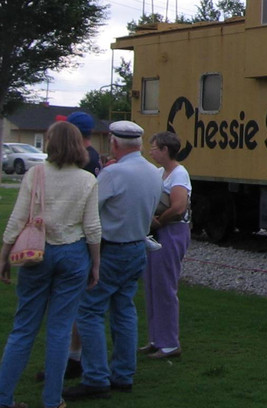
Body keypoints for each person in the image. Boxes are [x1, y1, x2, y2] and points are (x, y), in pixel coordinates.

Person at [0, 121, 101, 408]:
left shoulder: (36, 174)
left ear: (51, 144)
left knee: (23, 328)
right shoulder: (87, 180)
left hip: (36, 254)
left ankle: (4, 398)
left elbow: (18, 219)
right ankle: (52, 400)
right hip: (73, 254)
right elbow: (92, 228)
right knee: (60, 330)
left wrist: (4, 254)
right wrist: (96, 263)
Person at [63, 121, 161, 402]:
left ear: (115, 143)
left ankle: (95, 377)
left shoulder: (113, 173)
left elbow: (90, 210)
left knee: (90, 311)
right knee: (124, 310)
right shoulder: (153, 172)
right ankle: (123, 374)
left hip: (111, 249)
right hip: (136, 247)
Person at [141, 132, 191, 360]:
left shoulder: (179, 174)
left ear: (165, 150)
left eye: (154, 147)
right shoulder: (160, 173)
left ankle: (170, 343)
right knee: (152, 285)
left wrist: (159, 221)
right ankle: (156, 339)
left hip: (171, 232)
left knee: (165, 287)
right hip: (158, 232)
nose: (150, 151)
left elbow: (179, 206)